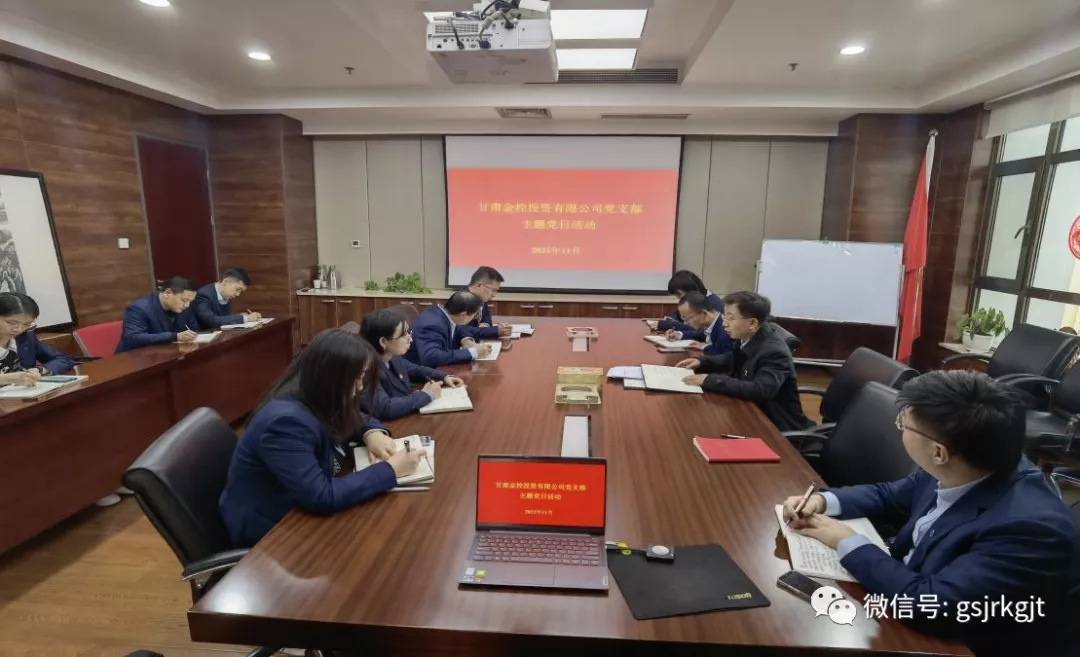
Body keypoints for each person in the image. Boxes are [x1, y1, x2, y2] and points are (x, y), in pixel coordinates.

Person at [781, 371, 1080, 657]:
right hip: (908, 599)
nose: (900, 426)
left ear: (938, 452)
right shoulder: (966, 463)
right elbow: (889, 495)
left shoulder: (1030, 530)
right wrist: (822, 501)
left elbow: (930, 605)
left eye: (904, 423)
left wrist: (846, 541)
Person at [219, 329, 426, 548]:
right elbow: (321, 496)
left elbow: (354, 415)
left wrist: (371, 433)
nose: (360, 387)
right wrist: (391, 469)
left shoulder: (315, 391)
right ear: (332, 376)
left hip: (298, 504)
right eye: (358, 378)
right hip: (270, 530)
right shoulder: (285, 423)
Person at [678, 291, 811, 431]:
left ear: (752, 323)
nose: (724, 324)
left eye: (731, 319)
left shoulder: (774, 352)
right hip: (750, 410)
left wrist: (710, 380)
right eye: (725, 317)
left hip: (774, 425)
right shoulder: (748, 335)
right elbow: (732, 358)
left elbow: (760, 390)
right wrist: (703, 362)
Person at [359, 309, 466, 420]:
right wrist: (427, 394)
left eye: (408, 332)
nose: (410, 339)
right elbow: (386, 408)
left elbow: (415, 370)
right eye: (403, 335)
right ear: (383, 342)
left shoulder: (391, 355)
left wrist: (444, 377)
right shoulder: (364, 368)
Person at [0, 292, 75, 386]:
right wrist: (6, 379)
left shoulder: (26, 337)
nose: (19, 329)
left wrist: (39, 370)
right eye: (11, 323)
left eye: (26, 324)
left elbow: (63, 359)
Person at [405, 291, 493, 367]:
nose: (474, 318)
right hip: (420, 374)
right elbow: (431, 357)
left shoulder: (443, 313)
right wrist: (472, 352)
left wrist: (466, 340)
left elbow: (458, 328)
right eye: (475, 316)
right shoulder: (433, 325)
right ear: (463, 315)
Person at [115, 276, 199, 353]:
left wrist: (190, 335)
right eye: (184, 300)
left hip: (168, 353)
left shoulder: (183, 307)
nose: (187, 305)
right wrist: (174, 336)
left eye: (190, 301)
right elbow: (133, 337)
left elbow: (193, 328)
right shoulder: (139, 308)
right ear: (167, 293)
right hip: (134, 358)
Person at [651, 270, 723, 340]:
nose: (679, 299)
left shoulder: (714, 304)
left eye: (679, 295)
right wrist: (671, 321)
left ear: (690, 290)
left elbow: (699, 330)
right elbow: (678, 315)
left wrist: (668, 325)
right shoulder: (694, 301)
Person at [662, 291, 733, 356]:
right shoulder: (713, 323)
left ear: (704, 313)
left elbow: (722, 355)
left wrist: (704, 347)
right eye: (683, 318)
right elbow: (700, 334)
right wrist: (679, 334)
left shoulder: (725, 331)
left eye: (687, 318)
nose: (686, 322)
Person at [192, 268, 260, 329]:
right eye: (237, 289)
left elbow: (222, 318)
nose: (238, 294)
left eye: (241, 291)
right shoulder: (204, 294)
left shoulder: (226, 294)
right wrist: (245, 318)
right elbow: (210, 320)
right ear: (225, 282)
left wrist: (239, 316)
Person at [460, 266, 512, 340]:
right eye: (493, 290)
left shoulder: (480, 297)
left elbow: (486, 316)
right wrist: (494, 330)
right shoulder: (460, 300)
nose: (494, 295)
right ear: (479, 285)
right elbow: (461, 331)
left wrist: (485, 324)